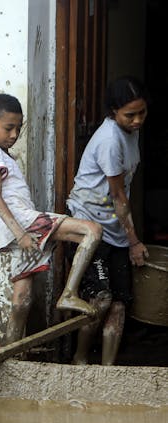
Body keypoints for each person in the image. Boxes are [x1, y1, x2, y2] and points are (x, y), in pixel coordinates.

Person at [0, 93, 101, 348]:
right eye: (8, 128)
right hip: (24, 224)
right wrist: (21, 233)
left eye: (18, 129)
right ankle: (69, 293)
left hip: (19, 229)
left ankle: (10, 350)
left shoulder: (3, 156)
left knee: (22, 295)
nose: (14, 135)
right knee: (92, 231)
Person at [66, 76, 149, 365]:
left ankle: (107, 372)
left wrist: (126, 237)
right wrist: (134, 242)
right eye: (130, 115)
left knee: (119, 304)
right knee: (99, 299)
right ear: (113, 111)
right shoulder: (110, 140)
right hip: (89, 224)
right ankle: (79, 360)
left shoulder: (131, 132)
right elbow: (118, 196)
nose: (137, 120)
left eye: (142, 113)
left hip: (114, 227)